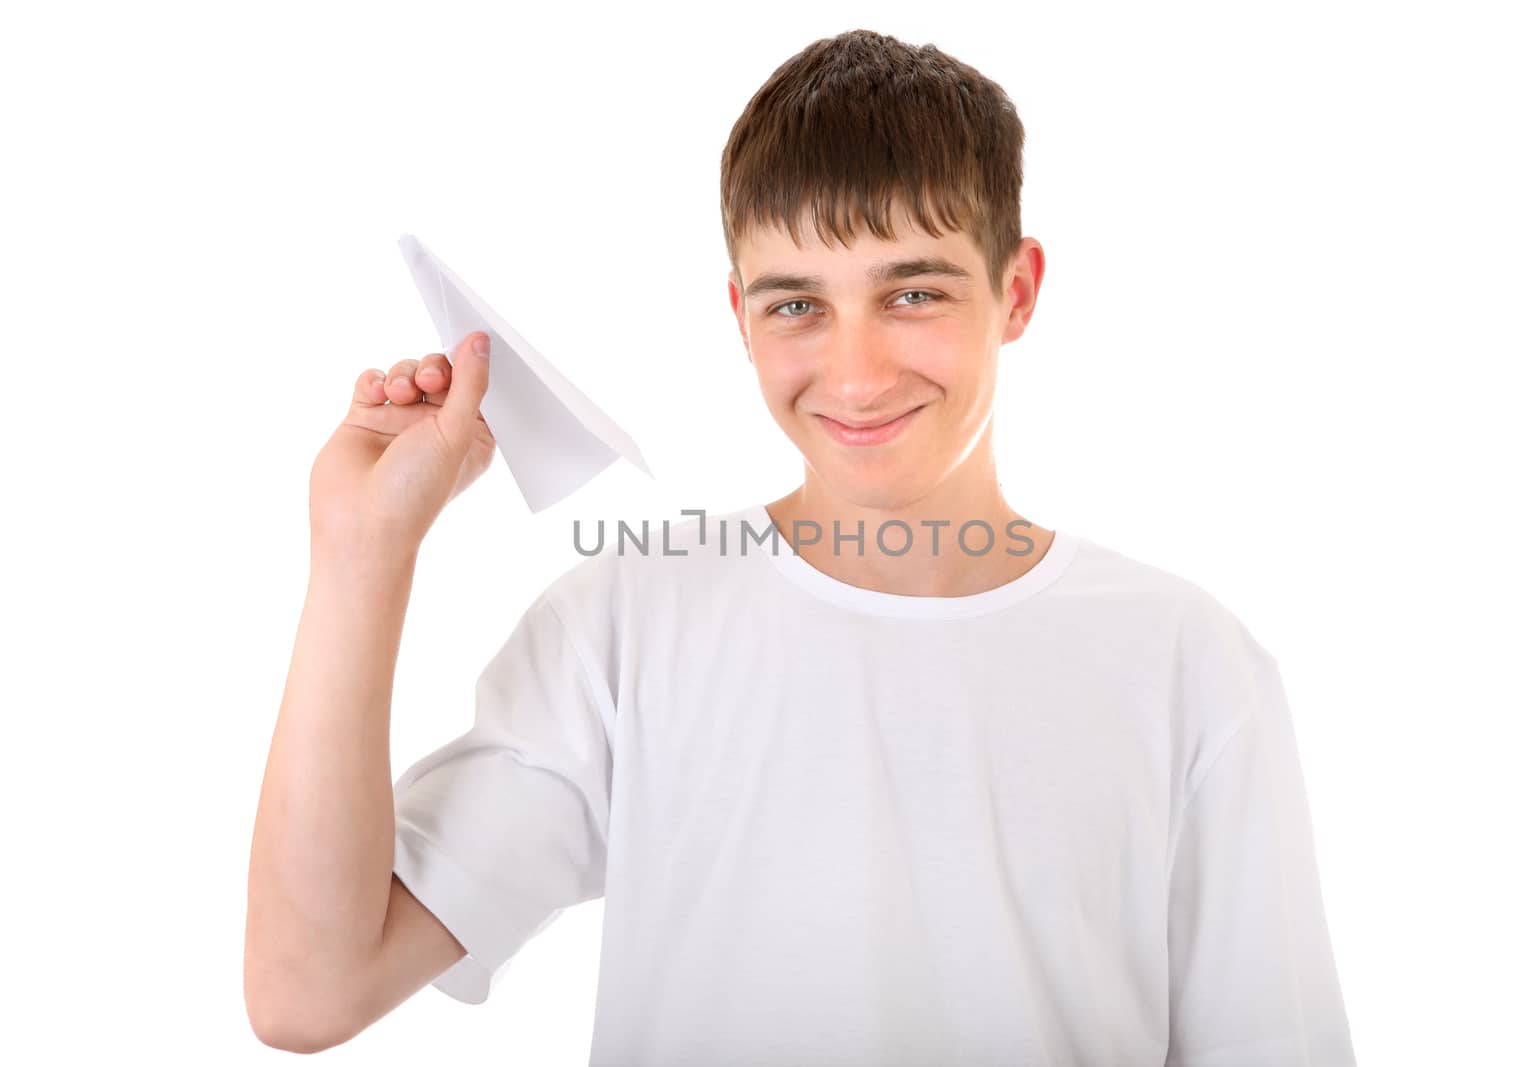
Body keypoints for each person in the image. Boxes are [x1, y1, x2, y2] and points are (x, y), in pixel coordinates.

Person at [245, 28, 1357, 1066]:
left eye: (911, 290)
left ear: (1014, 290)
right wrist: (359, 550)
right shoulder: (627, 623)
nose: (858, 372)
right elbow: (309, 990)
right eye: (797, 307)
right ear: (738, 315)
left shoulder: (1184, 660)